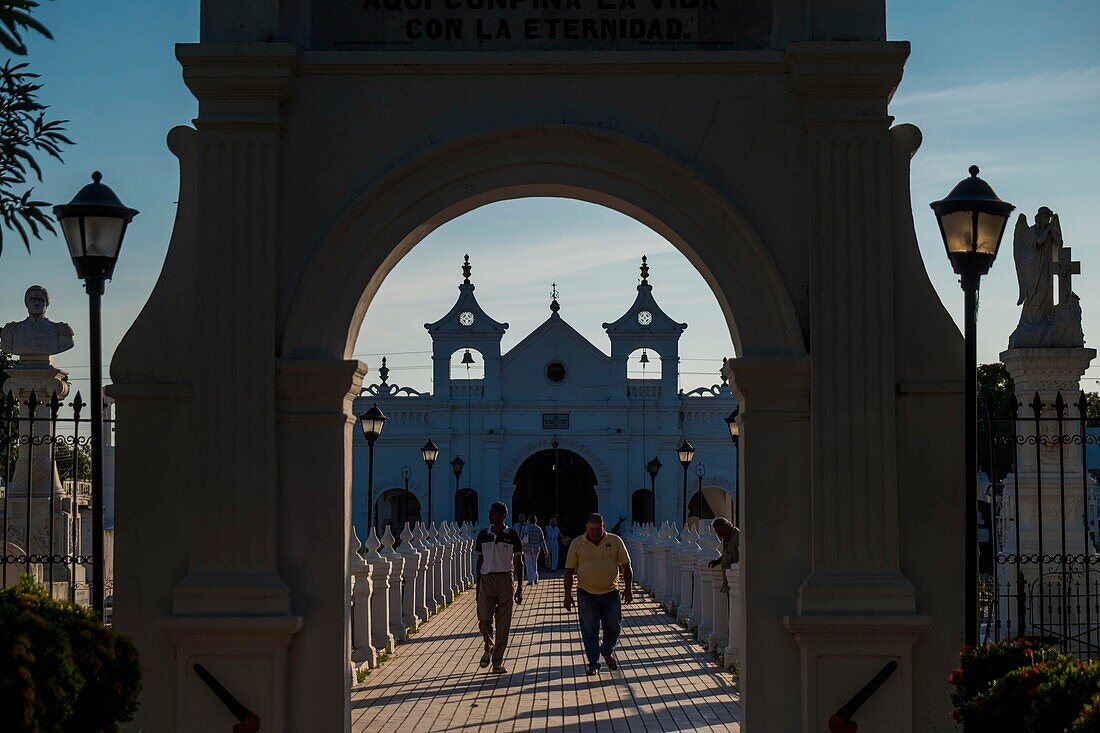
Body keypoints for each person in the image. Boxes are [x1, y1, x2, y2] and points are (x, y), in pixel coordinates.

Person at [564, 513, 633, 676]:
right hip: (586, 593)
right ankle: (593, 663)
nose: (595, 532)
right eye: (592, 529)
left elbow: (626, 566)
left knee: (614, 627)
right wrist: (567, 595)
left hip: (611, 591)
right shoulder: (577, 544)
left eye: (598, 529)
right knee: (589, 629)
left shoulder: (615, 541)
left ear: (604, 527)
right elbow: (569, 571)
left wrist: (628, 588)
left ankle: (607, 649)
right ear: (586, 528)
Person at [474, 501, 524, 674]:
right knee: (484, 619)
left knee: (503, 623)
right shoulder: (483, 535)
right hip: (487, 580)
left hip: (505, 580)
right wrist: (477, 585)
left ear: (502, 515)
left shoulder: (512, 535)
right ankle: (489, 644)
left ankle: (497, 661)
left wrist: (519, 588)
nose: (489, 516)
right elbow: (479, 561)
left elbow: (519, 561)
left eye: (493, 513)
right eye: (490, 513)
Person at [708, 517, 740, 593]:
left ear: (727, 526)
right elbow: (727, 554)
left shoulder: (737, 538)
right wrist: (718, 561)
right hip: (728, 584)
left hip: (736, 584)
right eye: (719, 535)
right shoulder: (727, 538)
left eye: (722, 533)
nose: (721, 536)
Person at [521, 515, 548, 585]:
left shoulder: (526, 528)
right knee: (534, 563)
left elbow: (521, 537)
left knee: (528, 563)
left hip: (527, 548)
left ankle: (530, 580)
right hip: (536, 548)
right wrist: (545, 550)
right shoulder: (539, 529)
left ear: (529, 520)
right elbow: (542, 540)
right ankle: (536, 578)